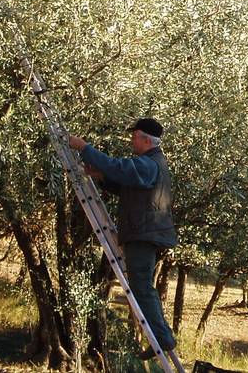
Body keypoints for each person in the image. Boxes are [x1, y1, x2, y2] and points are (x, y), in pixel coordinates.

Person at [68, 117, 178, 360]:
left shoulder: (149, 164)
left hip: (143, 234)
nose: (131, 140)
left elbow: (121, 168)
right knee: (142, 286)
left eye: (134, 135)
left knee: (141, 286)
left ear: (145, 139)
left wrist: (84, 148)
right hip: (144, 232)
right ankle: (162, 336)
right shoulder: (151, 164)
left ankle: (162, 337)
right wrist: (102, 178)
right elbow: (129, 186)